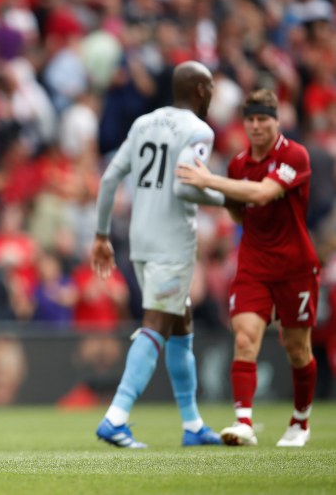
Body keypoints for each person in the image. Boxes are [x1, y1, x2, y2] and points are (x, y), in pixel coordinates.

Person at [91, 60, 225, 448]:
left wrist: (101, 234)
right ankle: (116, 417)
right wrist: (228, 195)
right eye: (211, 86)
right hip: (173, 242)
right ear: (200, 90)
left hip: (140, 240)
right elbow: (187, 186)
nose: (213, 93)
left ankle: (193, 424)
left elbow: (110, 177)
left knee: (181, 326)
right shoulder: (199, 130)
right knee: (156, 324)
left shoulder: (144, 123)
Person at [177, 89, 320, 447]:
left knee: (297, 348)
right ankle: (243, 422)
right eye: (251, 120)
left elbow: (260, 194)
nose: (256, 126)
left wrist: (208, 181)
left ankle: (300, 421)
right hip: (254, 264)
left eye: (263, 119)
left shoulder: (294, 155)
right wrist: (218, 196)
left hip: (295, 267)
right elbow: (240, 209)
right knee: (244, 338)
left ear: (276, 121)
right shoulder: (239, 163)